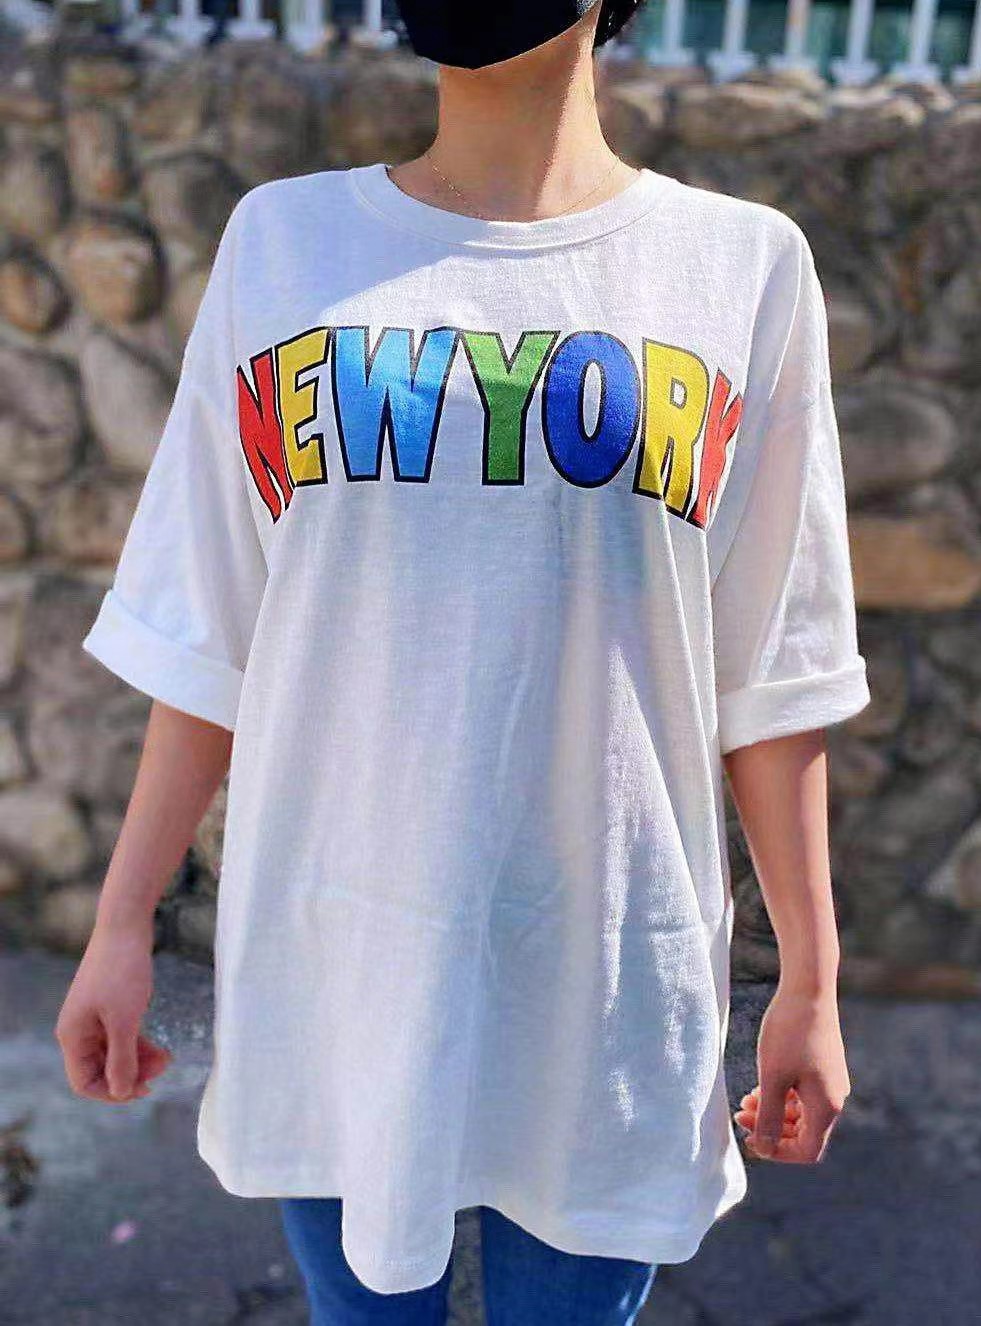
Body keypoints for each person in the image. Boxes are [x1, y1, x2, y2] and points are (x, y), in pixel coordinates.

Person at [56, 1, 872, 1321]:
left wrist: (812, 982)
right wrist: (119, 927)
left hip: (608, 985)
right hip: (336, 968)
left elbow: (776, 670)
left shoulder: (741, 267)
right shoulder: (285, 243)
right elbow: (212, 632)